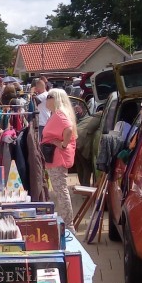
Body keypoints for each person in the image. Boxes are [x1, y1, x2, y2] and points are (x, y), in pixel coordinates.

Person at [41, 88, 78, 225]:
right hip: (56, 156)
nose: (47, 98)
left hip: (58, 157)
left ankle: (68, 224)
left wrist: (62, 144)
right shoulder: (57, 114)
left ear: (56, 99)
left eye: (50, 96)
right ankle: (66, 221)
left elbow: (68, 129)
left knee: (61, 190)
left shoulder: (59, 114)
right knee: (60, 190)